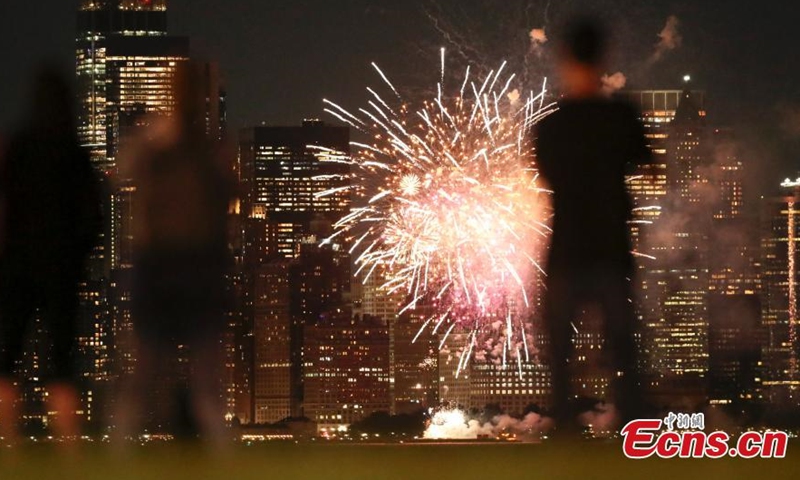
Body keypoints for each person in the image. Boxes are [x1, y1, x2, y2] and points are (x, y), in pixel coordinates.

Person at [534, 18, 651, 436]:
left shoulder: (550, 126)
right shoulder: (623, 117)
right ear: (604, 59)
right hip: (611, 245)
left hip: (567, 247)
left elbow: (547, 178)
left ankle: (564, 427)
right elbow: (648, 165)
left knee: (560, 351)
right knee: (623, 345)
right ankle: (635, 427)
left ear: (566, 61)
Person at [115, 61, 233, 443]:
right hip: (201, 263)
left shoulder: (154, 140)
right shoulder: (214, 145)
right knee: (205, 372)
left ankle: (120, 451)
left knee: (145, 366)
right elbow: (229, 198)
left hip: (158, 262)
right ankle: (220, 451)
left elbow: (121, 172)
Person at [0, 66, 102, 442]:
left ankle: (8, 446)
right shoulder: (75, 155)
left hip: (16, 264)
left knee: (7, 355)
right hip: (61, 267)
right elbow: (94, 220)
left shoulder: (19, 149)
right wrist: (77, 257)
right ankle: (69, 448)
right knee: (62, 359)